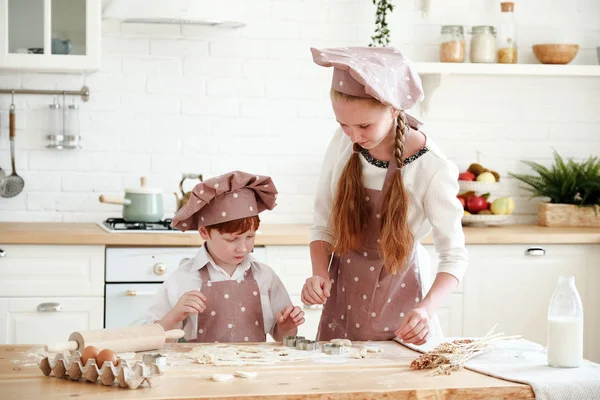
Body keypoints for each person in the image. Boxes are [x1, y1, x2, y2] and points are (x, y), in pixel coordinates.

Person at [301, 47, 468, 346]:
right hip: (343, 295)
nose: (353, 136)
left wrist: (426, 311)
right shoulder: (343, 142)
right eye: (343, 125)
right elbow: (322, 224)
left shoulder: (432, 167)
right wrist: (318, 274)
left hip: (401, 301)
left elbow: (454, 257)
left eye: (364, 126)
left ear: (394, 109)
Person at [148, 171, 305, 342]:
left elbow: (283, 337)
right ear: (204, 232)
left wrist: (287, 325)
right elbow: (154, 337)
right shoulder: (184, 278)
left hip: (253, 366)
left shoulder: (265, 276)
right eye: (232, 239)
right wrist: (174, 315)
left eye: (250, 236)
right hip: (202, 366)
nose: (243, 247)